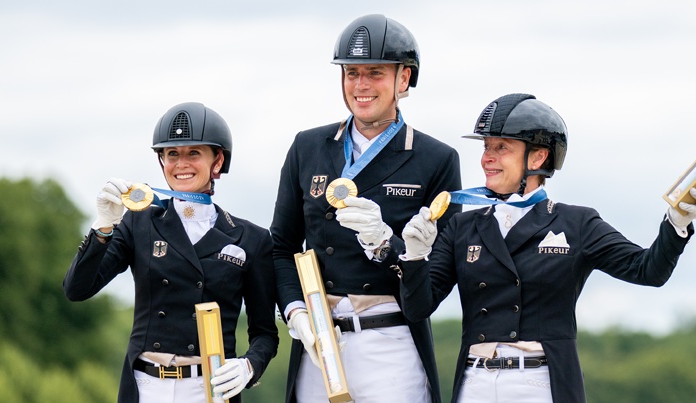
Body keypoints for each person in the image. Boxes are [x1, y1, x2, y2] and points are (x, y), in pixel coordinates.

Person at [397, 93, 696, 403]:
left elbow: (648, 270)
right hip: (476, 381)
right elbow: (418, 308)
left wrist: (675, 224)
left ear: (537, 157)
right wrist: (414, 256)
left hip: (540, 383)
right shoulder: (461, 227)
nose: (487, 158)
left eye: (501, 148)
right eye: (486, 147)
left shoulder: (577, 223)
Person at [270, 13, 462, 403]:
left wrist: (385, 244)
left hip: (390, 340)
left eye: (374, 72)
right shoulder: (307, 147)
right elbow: (281, 246)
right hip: (320, 340)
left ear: (403, 78)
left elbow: (436, 281)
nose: (360, 85)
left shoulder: (436, 159)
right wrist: (294, 310)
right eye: (351, 72)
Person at [63, 102, 279, 403]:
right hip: (145, 386)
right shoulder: (138, 223)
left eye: (194, 153)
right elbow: (77, 288)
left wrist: (249, 366)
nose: (181, 164)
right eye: (172, 154)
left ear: (217, 161)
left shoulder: (251, 239)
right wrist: (103, 227)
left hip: (211, 388)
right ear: (162, 161)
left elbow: (265, 334)